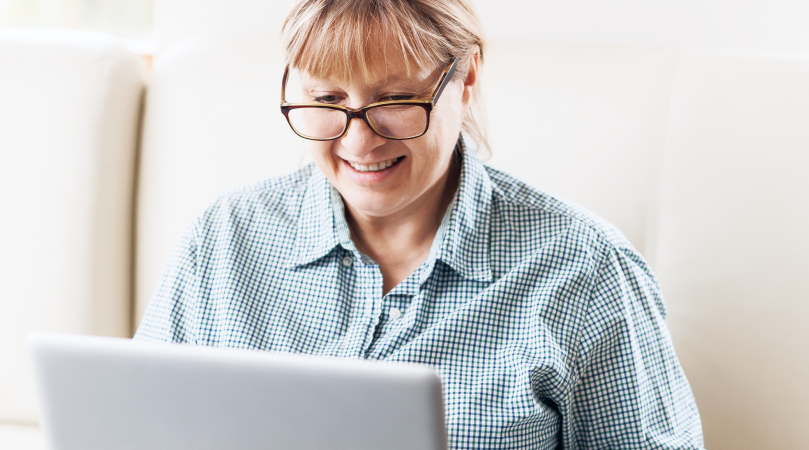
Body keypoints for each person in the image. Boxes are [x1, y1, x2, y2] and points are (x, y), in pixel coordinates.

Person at [133, 0, 705, 447]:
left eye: (397, 99)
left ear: (467, 75)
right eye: (327, 98)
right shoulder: (224, 241)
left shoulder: (584, 271)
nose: (358, 141)